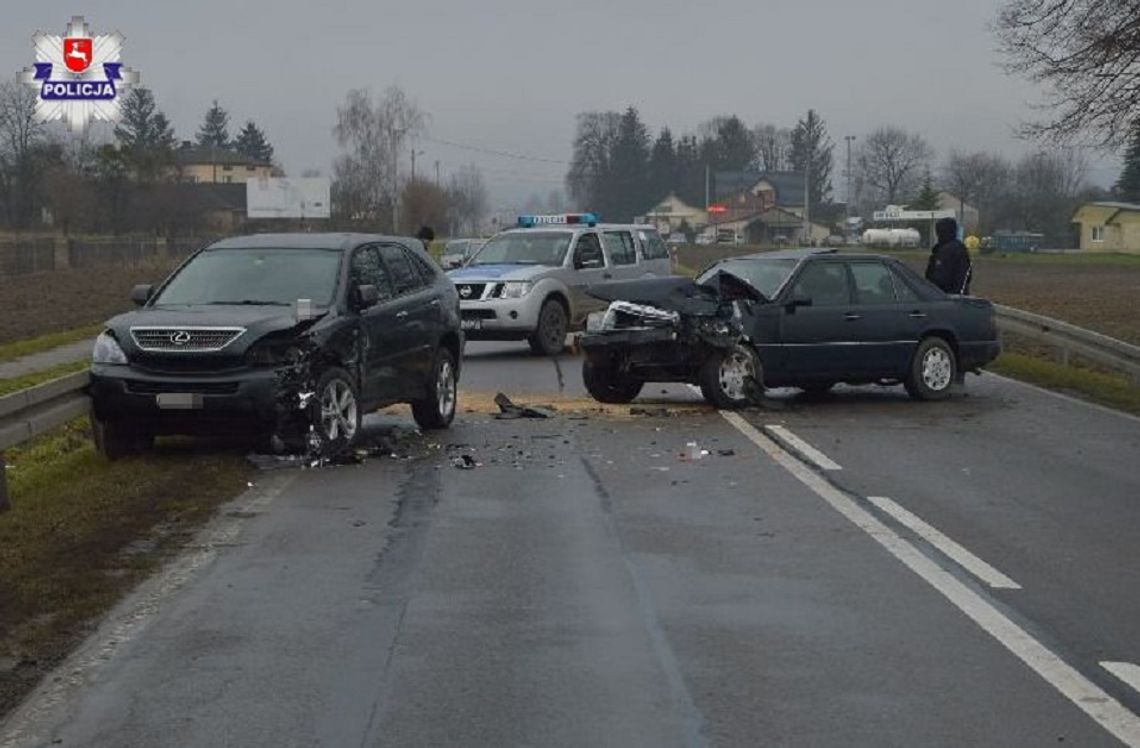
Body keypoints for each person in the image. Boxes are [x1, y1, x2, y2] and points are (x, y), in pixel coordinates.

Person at [925, 217, 972, 294]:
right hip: (947, 294)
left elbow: (940, 277)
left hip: (947, 295)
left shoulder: (948, 250)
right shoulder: (956, 248)